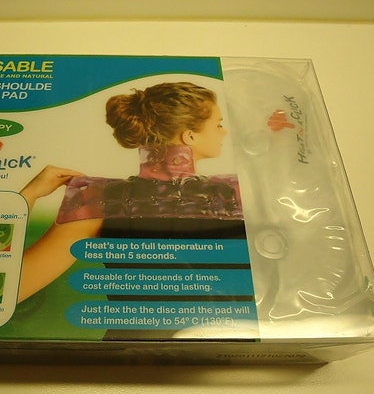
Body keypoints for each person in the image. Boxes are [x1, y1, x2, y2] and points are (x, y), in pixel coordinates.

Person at [18, 82, 243, 303]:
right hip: (229, 325)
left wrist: (27, 197)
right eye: (218, 125)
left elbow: (7, 290)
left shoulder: (99, 199)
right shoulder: (232, 193)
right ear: (190, 136)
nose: (224, 132)